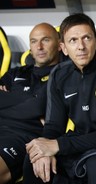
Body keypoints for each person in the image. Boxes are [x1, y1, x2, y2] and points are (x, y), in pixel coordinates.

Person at [23, 13, 96, 184]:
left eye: (86, 38)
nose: (81, 47)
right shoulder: (59, 73)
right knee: (34, 160)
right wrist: (44, 148)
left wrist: (57, 146)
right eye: (73, 41)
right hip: (80, 140)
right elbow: (54, 125)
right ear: (63, 47)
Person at [0, 23, 61, 183]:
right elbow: (34, 107)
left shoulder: (63, 74)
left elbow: (37, 106)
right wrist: (31, 106)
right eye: (34, 41)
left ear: (59, 44)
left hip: (22, 138)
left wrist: (8, 99)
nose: (39, 47)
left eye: (45, 40)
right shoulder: (17, 72)